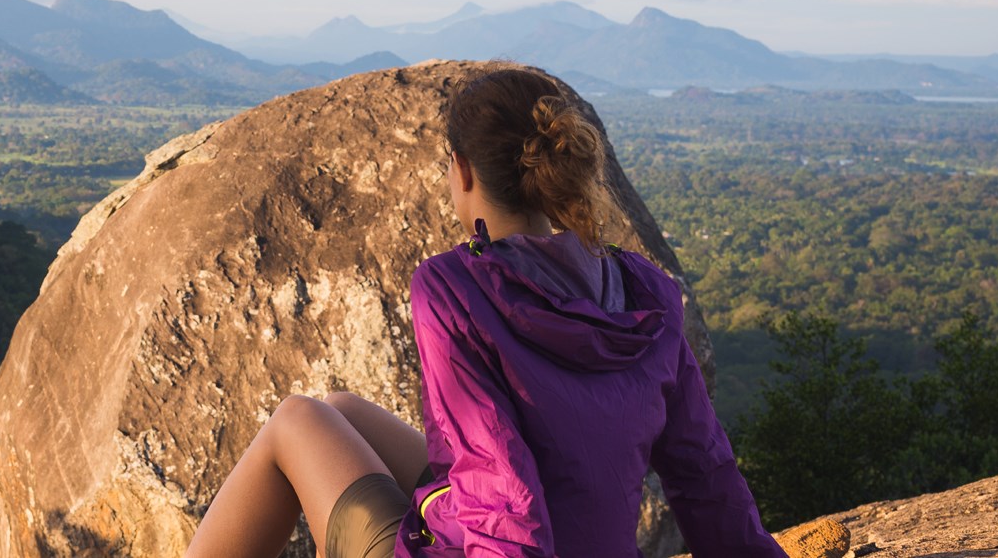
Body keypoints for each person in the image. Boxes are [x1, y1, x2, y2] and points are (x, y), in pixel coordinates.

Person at [184, 69, 786, 558]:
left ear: (463, 171)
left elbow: (506, 501)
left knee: (294, 420)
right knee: (339, 411)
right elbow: (707, 478)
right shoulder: (646, 294)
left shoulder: (455, 288)